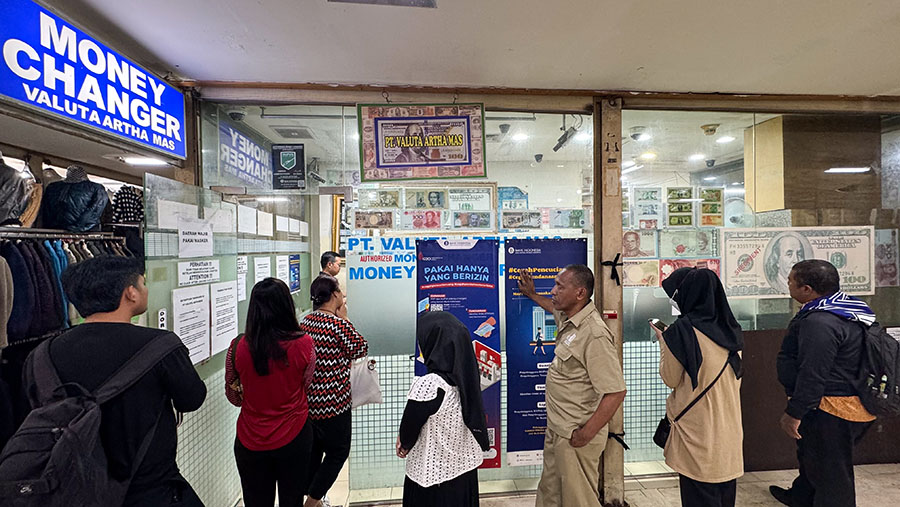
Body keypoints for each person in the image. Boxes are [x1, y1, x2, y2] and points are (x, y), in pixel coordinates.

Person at [27, 256, 207, 506]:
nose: (145, 289)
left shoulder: (42, 354)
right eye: (143, 283)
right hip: (149, 488)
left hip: (73, 487)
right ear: (130, 293)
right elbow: (192, 398)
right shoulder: (162, 345)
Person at [770, 260, 876, 507]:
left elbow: (813, 372)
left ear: (806, 289)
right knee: (813, 455)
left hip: (832, 407)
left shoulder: (821, 322)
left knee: (832, 473)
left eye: (790, 281)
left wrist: (794, 412)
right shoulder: (848, 308)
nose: (788, 285)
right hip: (849, 400)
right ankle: (801, 496)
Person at [519, 265, 627, 507]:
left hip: (575, 435)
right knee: (551, 494)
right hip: (559, 429)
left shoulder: (594, 334)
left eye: (560, 286)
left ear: (580, 293)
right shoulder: (569, 317)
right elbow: (551, 306)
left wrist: (585, 434)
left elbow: (616, 391)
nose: (553, 290)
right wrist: (532, 295)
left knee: (579, 499)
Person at [652, 267, 744, 507]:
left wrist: (665, 342)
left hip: (698, 434)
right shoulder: (731, 329)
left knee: (699, 495)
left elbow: (670, 378)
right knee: (724, 496)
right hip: (729, 433)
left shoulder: (683, 332)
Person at [225, 278, 316, 507]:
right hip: (295, 435)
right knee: (292, 500)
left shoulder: (237, 347)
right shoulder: (305, 344)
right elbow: (307, 384)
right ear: (287, 306)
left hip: (250, 439)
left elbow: (233, 396)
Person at [396, 312, 490, 507]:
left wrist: (404, 443)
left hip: (433, 479)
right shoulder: (466, 378)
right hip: (464, 474)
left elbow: (408, 430)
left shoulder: (430, 384)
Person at [301, 275, 369, 507]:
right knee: (338, 452)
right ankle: (313, 500)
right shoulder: (338, 324)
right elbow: (360, 348)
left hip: (308, 404)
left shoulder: (304, 322)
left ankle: (311, 496)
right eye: (339, 291)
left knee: (314, 452)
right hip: (334, 403)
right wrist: (347, 319)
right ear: (334, 295)